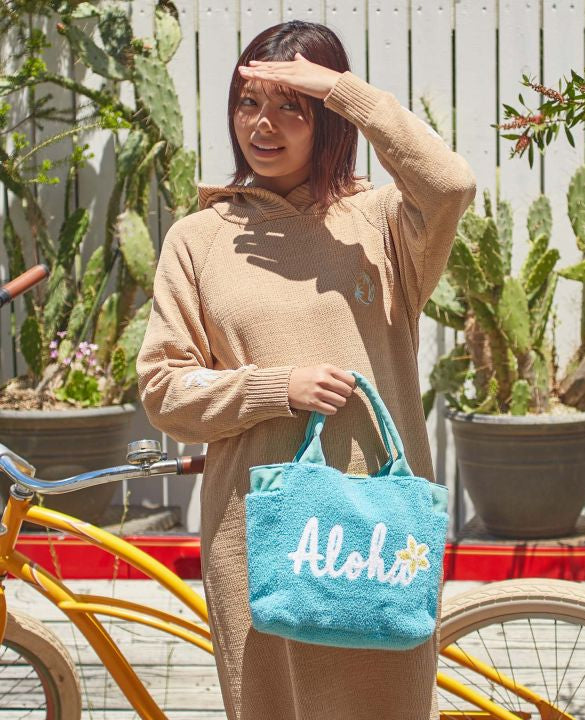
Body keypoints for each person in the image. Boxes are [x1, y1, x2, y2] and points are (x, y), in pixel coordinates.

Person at [137, 19, 476, 720]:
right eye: (248, 102)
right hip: (255, 532)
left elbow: (450, 184)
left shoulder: (383, 222)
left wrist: (346, 91)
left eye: (292, 107)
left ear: (328, 120)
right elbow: (164, 388)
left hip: (378, 535)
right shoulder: (198, 239)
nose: (263, 125)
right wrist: (274, 387)